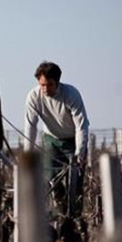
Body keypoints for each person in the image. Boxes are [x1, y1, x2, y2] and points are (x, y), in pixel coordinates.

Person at [24, 60, 89, 216]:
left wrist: (80, 153)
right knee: (52, 178)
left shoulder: (71, 94)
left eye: (49, 85)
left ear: (57, 82)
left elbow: (81, 125)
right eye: (42, 85)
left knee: (75, 182)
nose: (45, 89)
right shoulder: (34, 97)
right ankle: (60, 213)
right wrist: (28, 156)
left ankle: (75, 217)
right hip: (51, 139)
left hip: (73, 140)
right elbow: (30, 126)